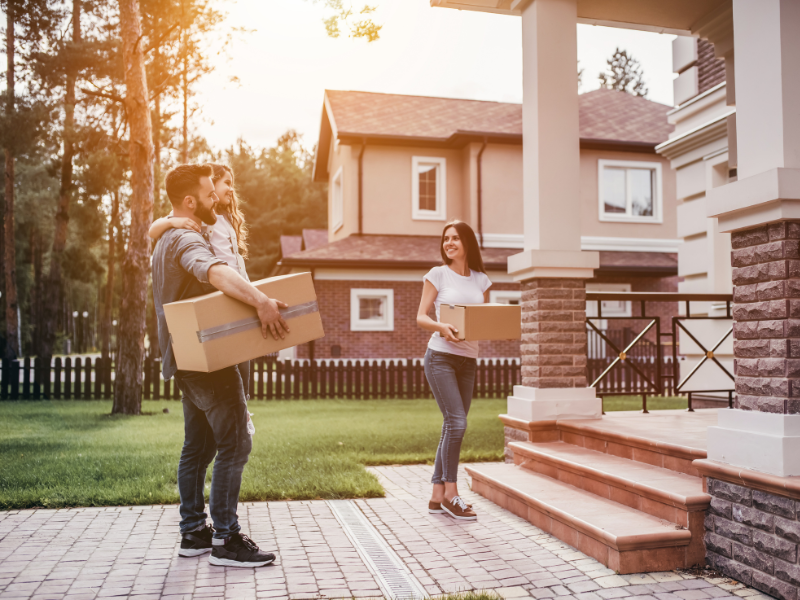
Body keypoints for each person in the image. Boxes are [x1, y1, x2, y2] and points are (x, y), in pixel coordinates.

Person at [152, 164, 289, 567]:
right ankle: (226, 540)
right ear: (191, 200)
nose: (218, 199)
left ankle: (194, 533)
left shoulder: (166, 238)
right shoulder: (185, 240)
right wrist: (261, 301)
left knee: (199, 446)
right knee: (235, 443)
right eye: (210, 194)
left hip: (185, 358)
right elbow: (214, 271)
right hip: (207, 363)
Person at [149, 164, 254, 414]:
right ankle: (240, 416)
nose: (229, 189)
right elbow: (153, 229)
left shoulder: (224, 219)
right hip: (223, 297)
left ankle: (242, 409)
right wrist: (174, 220)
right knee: (230, 380)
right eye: (225, 183)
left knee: (243, 369)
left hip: (238, 295)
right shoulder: (197, 223)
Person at [416, 220, 491, 521]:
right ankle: (451, 493)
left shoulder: (481, 280)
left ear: (467, 243)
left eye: (455, 238)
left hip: (468, 360)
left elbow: (482, 320)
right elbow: (421, 317)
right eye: (446, 239)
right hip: (441, 357)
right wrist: (441, 326)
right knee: (457, 424)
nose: (449, 243)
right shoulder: (437, 274)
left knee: (452, 425)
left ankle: (436, 496)